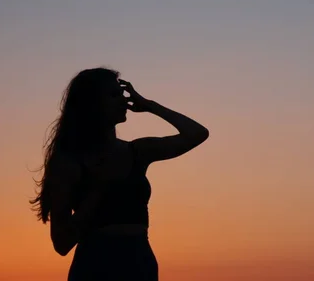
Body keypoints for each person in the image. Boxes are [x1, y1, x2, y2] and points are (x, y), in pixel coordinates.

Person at [30, 67, 209, 280]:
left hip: (140, 263)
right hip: (96, 266)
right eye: (114, 95)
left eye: (122, 94)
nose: (124, 101)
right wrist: (99, 189)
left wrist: (149, 105)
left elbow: (197, 134)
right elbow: (61, 243)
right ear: (92, 104)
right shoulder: (69, 162)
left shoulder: (136, 152)